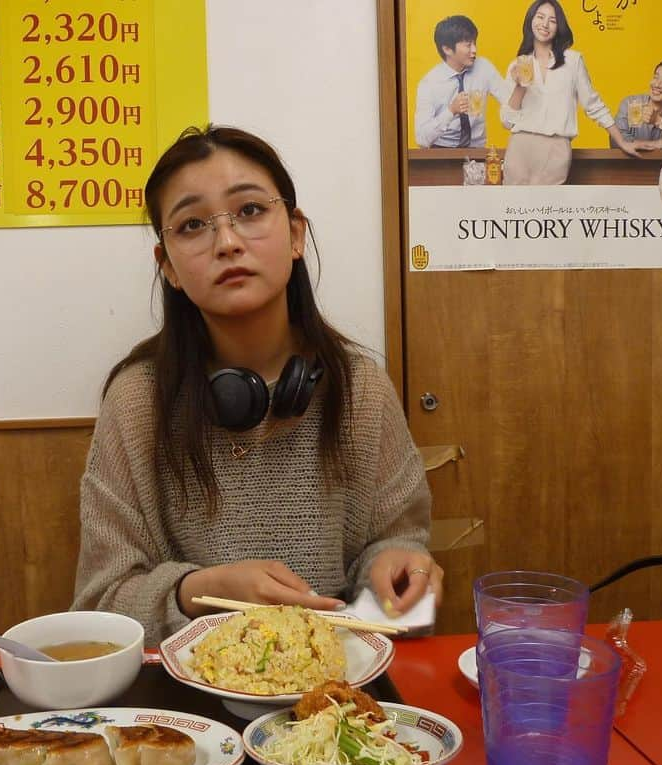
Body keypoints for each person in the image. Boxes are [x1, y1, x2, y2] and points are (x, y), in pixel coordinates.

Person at [70, 125, 441, 646]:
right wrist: (196, 591)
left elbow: (394, 543)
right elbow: (99, 603)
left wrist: (401, 569)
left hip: (333, 690)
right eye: (193, 224)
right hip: (187, 705)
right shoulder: (138, 402)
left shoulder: (359, 388)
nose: (226, 243)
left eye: (249, 211)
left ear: (294, 234)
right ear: (168, 267)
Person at [501, 0, 639, 185]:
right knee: (514, 211)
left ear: (559, 27)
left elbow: (593, 105)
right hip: (520, 147)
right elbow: (507, 121)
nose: (545, 24)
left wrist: (621, 141)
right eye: (540, 17)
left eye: (552, 20)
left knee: (547, 209)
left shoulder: (573, 62)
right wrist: (519, 87)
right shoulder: (518, 65)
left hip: (556, 148)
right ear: (530, 21)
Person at [414, 15, 511, 148]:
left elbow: (509, 100)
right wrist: (451, 111)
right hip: (441, 153)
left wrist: (518, 86)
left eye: (474, 43)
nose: (474, 50)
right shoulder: (429, 83)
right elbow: (421, 138)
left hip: (477, 152)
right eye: (468, 45)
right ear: (447, 49)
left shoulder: (484, 68)